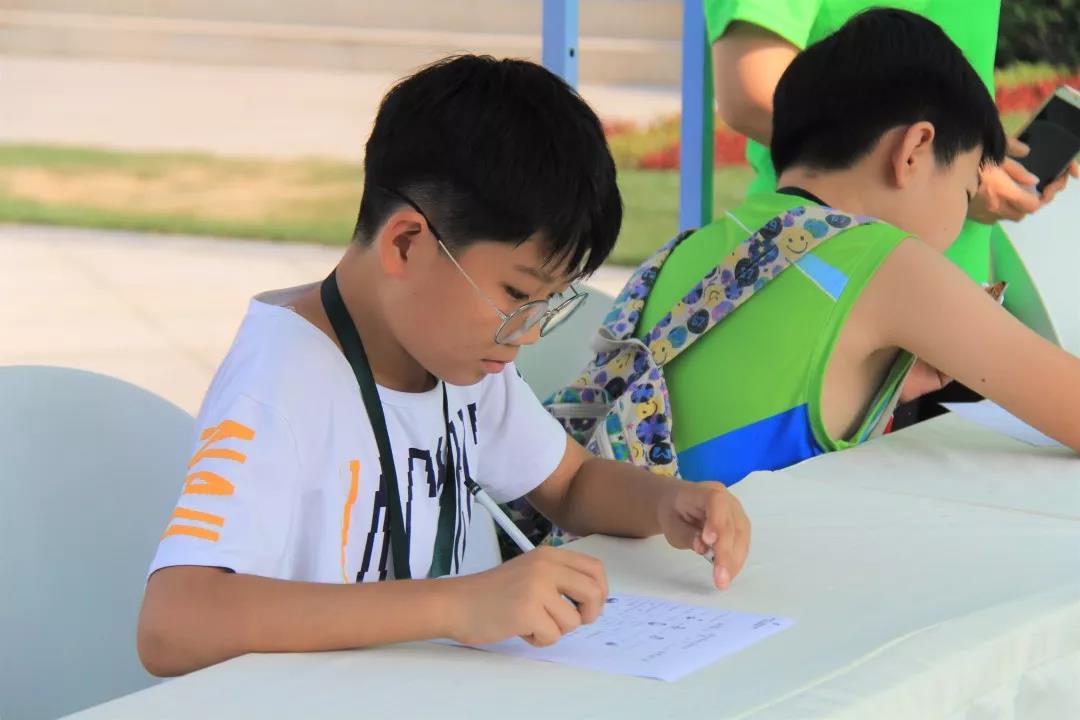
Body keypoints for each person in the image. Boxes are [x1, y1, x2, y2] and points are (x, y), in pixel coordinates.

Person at [135, 55, 751, 677]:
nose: (527, 333)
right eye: (516, 294)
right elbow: (173, 624)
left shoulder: (461, 362)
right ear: (406, 243)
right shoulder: (279, 384)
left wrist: (667, 503)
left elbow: (571, 485)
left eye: (547, 304)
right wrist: (456, 604)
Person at [631, 9, 1080, 485]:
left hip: (624, 523)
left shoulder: (692, 248)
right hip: (735, 531)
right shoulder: (888, 261)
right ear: (913, 150)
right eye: (966, 191)